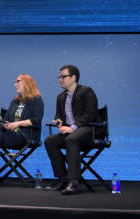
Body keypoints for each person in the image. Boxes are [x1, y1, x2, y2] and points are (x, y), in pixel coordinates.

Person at [0, 74, 44, 187]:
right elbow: (7, 120)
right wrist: (6, 124)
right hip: (13, 133)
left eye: (18, 81)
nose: (15, 84)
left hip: (25, 134)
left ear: (27, 83)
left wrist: (16, 124)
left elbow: (36, 121)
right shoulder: (14, 102)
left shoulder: (36, 100)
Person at [43, 64, 100, 195]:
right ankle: (62, 179)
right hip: (71, 133)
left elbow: (90, 115)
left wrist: (73, 128)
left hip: (88, 130)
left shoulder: (86, 92)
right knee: (50, 141)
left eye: (63, 76)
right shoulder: (61, 97)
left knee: (71, 138)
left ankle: (74, 182)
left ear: (73, 77)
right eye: (59, 77)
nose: (60, 79)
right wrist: (59, 122)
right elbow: (58, 115)